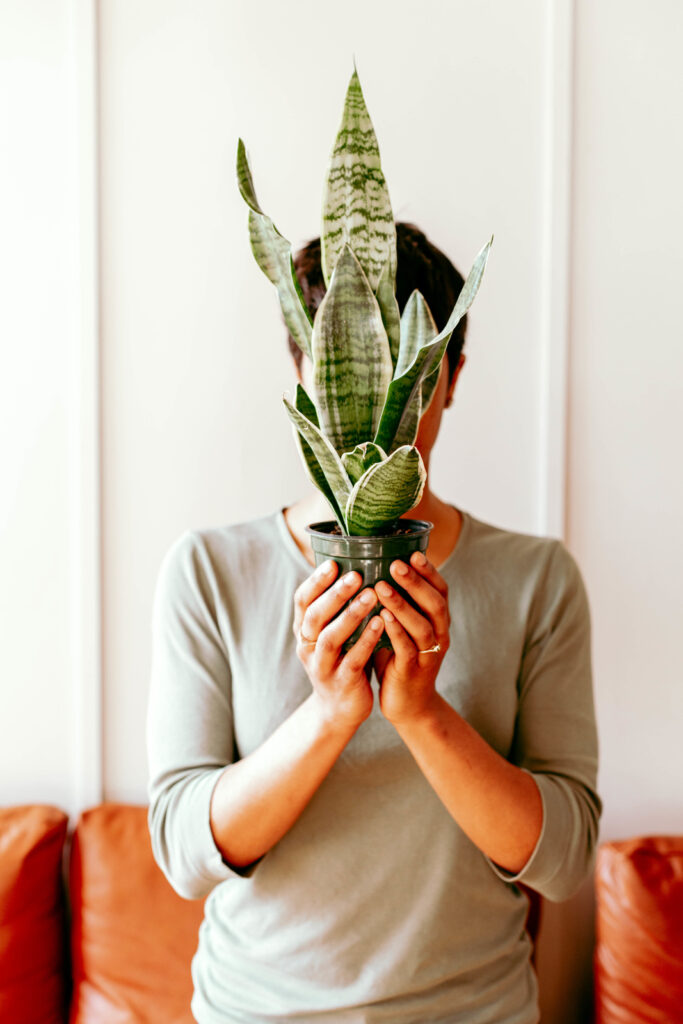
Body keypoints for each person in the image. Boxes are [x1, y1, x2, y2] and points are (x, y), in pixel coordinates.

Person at [146, 222, 601, 1024]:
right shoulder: (208, 572)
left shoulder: (537, 580)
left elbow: (561, 863)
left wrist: (421, 713)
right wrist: (328, 714)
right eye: (348, 378)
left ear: (452, 378)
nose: (377, 422)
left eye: (413, 380)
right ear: (302, 376)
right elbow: (184, 854)